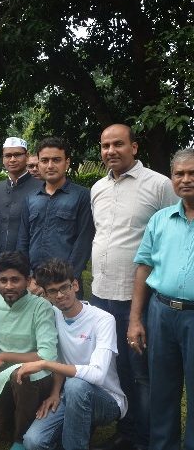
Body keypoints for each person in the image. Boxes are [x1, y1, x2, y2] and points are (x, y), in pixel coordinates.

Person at [90, 124, 177, 450]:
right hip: (101, 294)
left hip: (138, 297)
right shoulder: (97, 188)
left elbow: (175, 233)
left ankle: (146, 437)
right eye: (105, 146)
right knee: (116, 368)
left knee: (141, 371)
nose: (111, 151)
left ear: (134, 147)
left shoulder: (159, 185)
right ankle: (126, 431)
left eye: (118, 144)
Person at [21, 258, 127, 450]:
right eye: (53, 291)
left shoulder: (103, 319)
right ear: (46, 294)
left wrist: (44, 364)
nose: (60, 295)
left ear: (75, 285)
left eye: (65, 287)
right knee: (33, 442)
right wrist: (54, 393)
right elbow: (61, 357)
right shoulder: (52, 315)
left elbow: (97, 374)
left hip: (107, 398)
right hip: (69, 394)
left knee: (76, 385)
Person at [128, 148, 194, 450]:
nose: (186, 179)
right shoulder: (160, 220)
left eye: (192, 173)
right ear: (172, 178)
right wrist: (135, 319)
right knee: (162, 390)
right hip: (162, 313)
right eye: (179, 174)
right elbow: (144, 267)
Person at [0, 252, 57, 450]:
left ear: (28, 280)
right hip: (2, 381)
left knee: (21, 373)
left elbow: (47, 355)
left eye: (15, 280)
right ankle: (15, 414)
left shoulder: (41, 307)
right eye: (3, 280)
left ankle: (20, 438)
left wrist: (5, 356)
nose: (9, 286)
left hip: (36, 377)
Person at [17, 137, 94, 285]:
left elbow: (83, 242)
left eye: (56, 160)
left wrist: (68, 280)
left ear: (67, 162)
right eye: (44, 160)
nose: (50, 165)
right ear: (39, 163)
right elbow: (23, 241)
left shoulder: (82, 196)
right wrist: (28, 277)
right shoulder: (30, 199)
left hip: (65, 283)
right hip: (34, 281)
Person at [0, 137, 42, 253]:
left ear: (27, 156)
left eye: (17, 155)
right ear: (3, 159)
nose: (12, 159)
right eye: (8, 156)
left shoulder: (42, 188)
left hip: (30, 258)